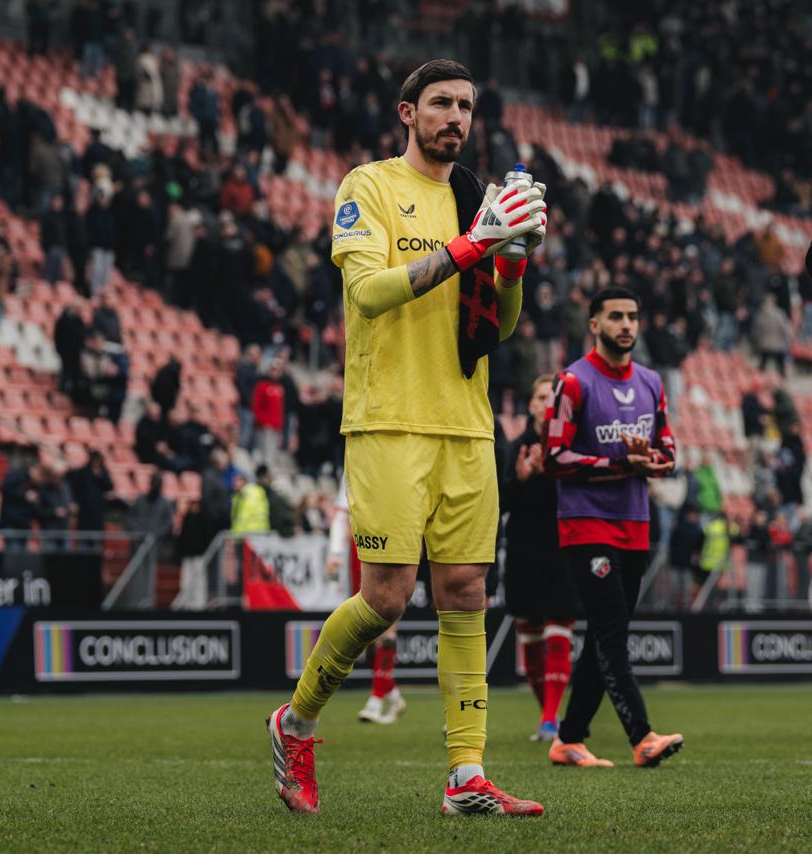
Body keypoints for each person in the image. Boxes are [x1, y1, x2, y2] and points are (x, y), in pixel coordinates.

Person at [268, 60, 548, 818]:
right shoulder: (369, 187)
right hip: (389, 418)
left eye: (465, 106)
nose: (454, 117)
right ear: (407, 113)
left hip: (465, 420)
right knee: (386, 600)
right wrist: (470, 246)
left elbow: (501, 327)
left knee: (465, 592)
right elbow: (369, 292)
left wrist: (513, 262)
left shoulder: (475, 198)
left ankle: (466, 776)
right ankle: (294, 724)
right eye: (440, 104)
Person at [543, 287, 683, 769]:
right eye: (616, 316)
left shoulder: (650, 382)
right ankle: (642, 737)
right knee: (610, 632)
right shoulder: (572, 382)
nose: (626, 324)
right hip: (587, 525)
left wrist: (648, 461)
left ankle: (569, 738)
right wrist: (620, 462)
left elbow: (668, 453)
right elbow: (555, 457)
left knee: (611, 633)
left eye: (633, 316)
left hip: (636, 525)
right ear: (595, 324)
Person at [501, 375, 577, 743]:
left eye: (553, 398)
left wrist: (556, 475)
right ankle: (547, 716)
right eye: (541, 396)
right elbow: (500, 503)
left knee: (558, 630)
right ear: (531, 404)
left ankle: (550, 721)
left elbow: (585, 497)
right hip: (524, 551)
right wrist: (519, 478)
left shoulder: (572, 447)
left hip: (563, 549)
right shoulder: (515, 448)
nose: (546, 403)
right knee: (530, 640)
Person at [327, 475, 405, 725]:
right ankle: (391, 694)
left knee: (387, 626)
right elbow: (342, 510)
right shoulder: (355, 459)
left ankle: (375, 699)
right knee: (368, 632)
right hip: (360, 551)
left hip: (396, 544)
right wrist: (335, 552)